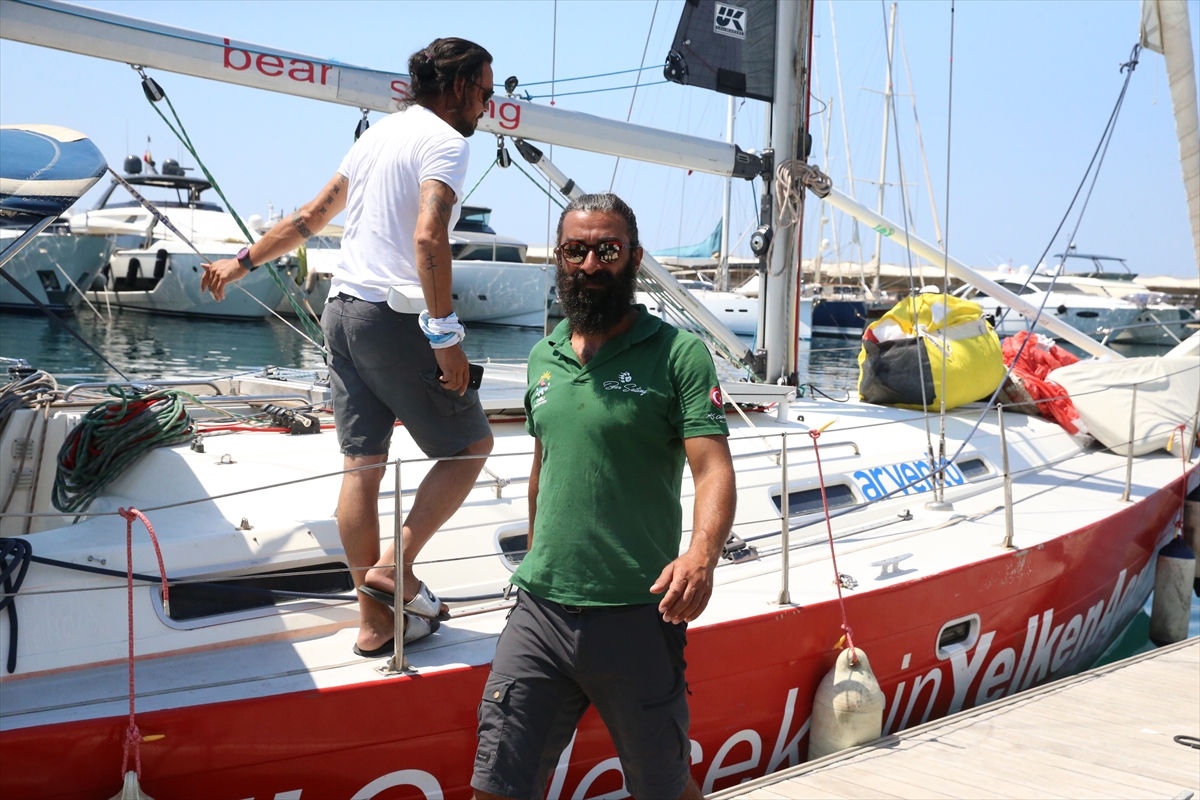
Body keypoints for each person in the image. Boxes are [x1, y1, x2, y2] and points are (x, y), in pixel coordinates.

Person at [200, 38, 496, 657]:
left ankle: (373, 624)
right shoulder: (447, 142)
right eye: (486, 91)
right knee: (471, 446)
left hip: (340, 314)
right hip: (390, 317)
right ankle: (396, 566)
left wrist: (240, 261)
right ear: (461, 86)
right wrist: (445, 337)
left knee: (362, 466)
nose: (490, 104)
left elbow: (312, 216)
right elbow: (428, 238)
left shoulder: (377, 137)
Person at [472, 194, 737, 800]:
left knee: (663, 789)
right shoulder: (545, 355)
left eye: (607, 250)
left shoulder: (678, 355)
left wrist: (701, 554)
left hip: (638, 614)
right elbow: (544, 471)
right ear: (560, 259)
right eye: (576, 250)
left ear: (634, 258)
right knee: (498, 786)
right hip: (540, 612)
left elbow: (712, 467)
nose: (590, 263)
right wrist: (536, 561)